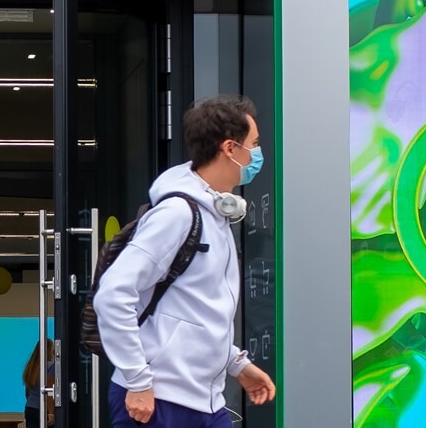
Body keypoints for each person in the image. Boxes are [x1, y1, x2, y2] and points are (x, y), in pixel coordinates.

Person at [93, 95, 277, 428]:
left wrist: (236, 364)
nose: (257, 153)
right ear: (230, 148)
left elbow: (197, 309)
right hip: (158, 401)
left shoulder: (214, 216)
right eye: (254, 144)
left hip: (205, 402)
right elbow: (112, 295)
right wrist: (137, 380)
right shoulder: (177, 214)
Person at [22, 340, 54, 428]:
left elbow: (27, 392)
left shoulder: (31, 366)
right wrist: (51, 413)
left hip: (30, 408)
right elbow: (50, 390)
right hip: (43, 410)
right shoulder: (51, 366)